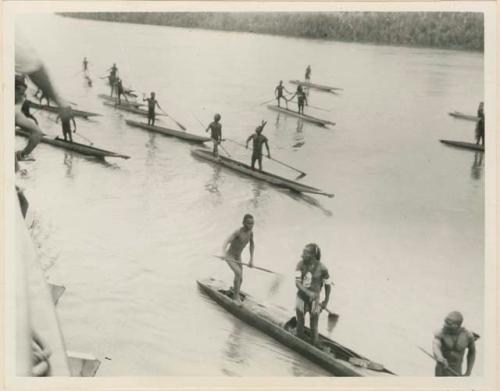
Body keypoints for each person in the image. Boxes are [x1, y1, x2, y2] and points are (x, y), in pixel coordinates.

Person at [295, 243, 331, 346]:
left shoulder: (323, 268)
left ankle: (314, 343)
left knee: (314, 327)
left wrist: (325, 301)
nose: (302, 255)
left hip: (314, 300)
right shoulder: (300, 264)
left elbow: (328, 285)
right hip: (301, 298)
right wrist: (307, 292)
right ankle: (299, 339)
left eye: (305, 253)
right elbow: (297, 283)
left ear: (313, 255)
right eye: (303, 252)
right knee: (300, 323)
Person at [222, 214, 255, 305]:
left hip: (238, 257)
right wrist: (223, 253)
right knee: (238, 273)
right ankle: (235, 298)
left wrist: (251, 260)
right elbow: (226, 241)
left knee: (241, 278)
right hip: (230, 256)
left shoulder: (250, 233)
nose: (251, 226)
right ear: (243, 223)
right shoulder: (237, 232)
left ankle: (235, 291)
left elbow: (252, 245)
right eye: (249, 223)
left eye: (252, 224)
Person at [433, 311, 476, 376]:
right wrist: (440, 358)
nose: (445, 325)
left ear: (457, 325)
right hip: (441, 372)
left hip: (457, 372)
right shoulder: (440, 333)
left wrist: (468, 371)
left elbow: (472, 352)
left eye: (448, 323)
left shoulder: (468, 335)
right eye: (445, 322)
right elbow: (436, 346)